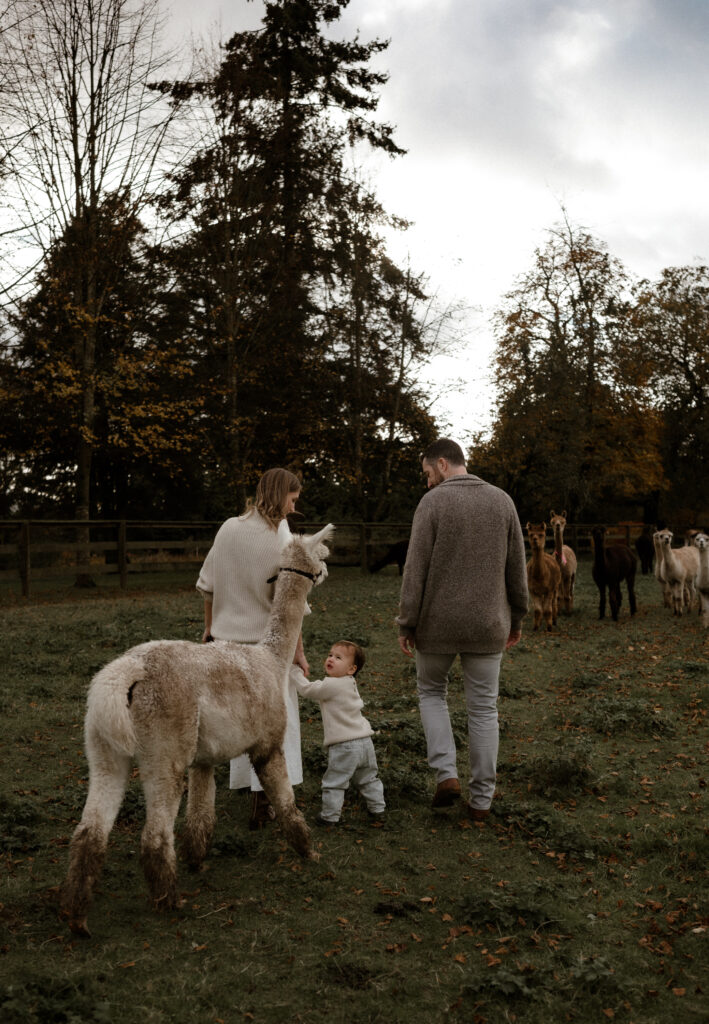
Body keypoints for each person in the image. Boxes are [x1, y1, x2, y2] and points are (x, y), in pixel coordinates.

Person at [396, 438, 528, 821]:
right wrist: (516, 616)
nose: (427, 483)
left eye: (426, 474)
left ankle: (446, 775)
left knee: (432, 693)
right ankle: (482, 801)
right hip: (488, 624)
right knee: (484, 708)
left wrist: (407, 622)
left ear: (441, 464)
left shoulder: (433, 504)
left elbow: (414, 569)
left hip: (436, 623)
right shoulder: (502, 501)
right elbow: (516, 569)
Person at [196, 468, 309, 829]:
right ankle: (268, 799)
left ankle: (249, 793)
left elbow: (207, 585)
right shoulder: (281, 537)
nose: (293, 509)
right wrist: (298, 650)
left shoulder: (228, 527)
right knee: (275, 722)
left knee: (236, 719)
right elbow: (290, 601)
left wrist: (210, 627)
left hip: (225, 646)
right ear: (279, 496)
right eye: (292, 501)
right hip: (266, 649)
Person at [294, 641, 385, 826]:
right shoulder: (349, 682)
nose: (331, 659)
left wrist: (293, 671)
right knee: (368, 778)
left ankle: (329, 816)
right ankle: (378, 809)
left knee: (335, 781)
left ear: (351, 669)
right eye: (330, 655)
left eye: (338, 657)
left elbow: (307, 690)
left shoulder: (332, 685)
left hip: (345, 745)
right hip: (365, 741)